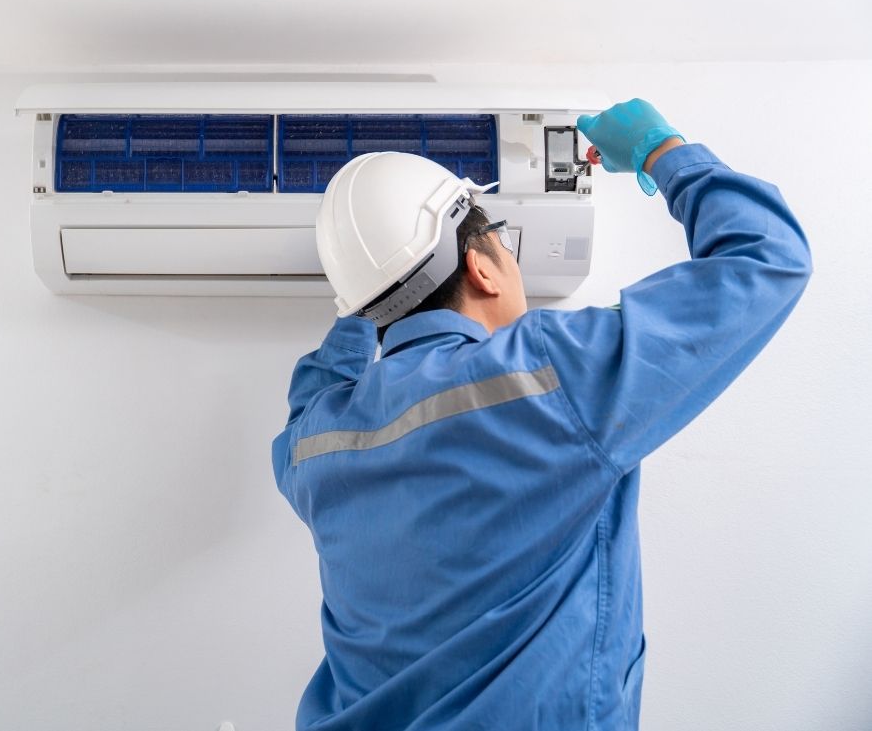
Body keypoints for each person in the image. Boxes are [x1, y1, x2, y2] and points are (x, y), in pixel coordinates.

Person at [272, 99, 812, 730]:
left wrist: (367, 292)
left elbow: (314, 389)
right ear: (481, 267)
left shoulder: (315, 444)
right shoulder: (551, 373)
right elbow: (766, 259)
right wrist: (660, 150)